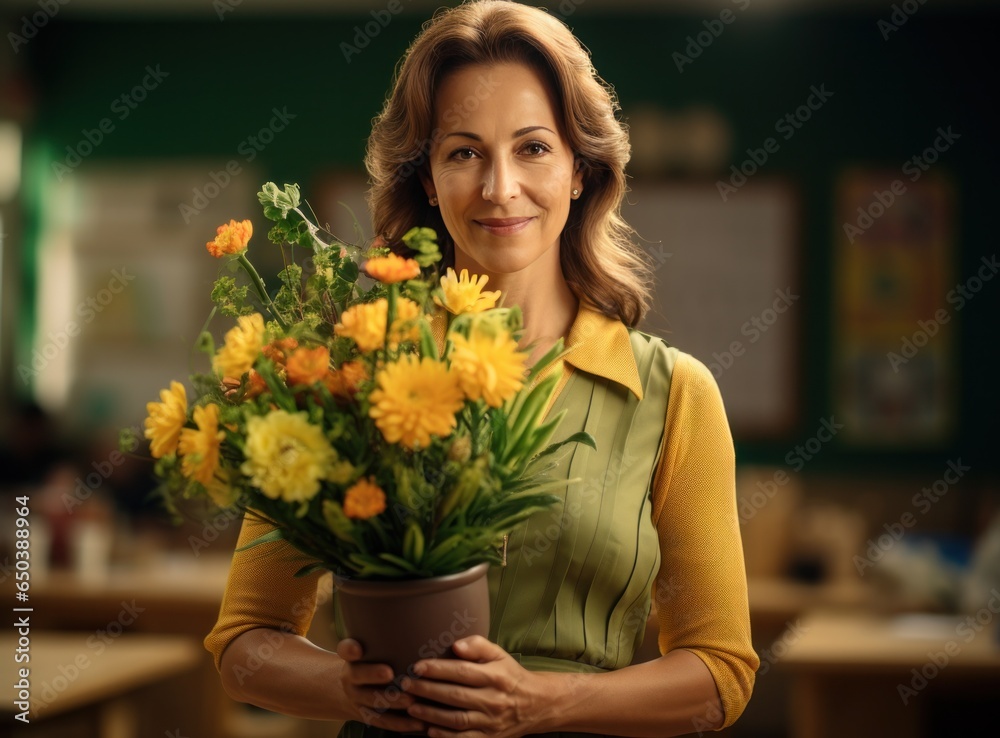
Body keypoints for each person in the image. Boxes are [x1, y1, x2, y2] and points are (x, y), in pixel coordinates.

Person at [205, 1, 758, 735]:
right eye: (464, 152)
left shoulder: (675, 394)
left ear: (581, 172)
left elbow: (721, 674)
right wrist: (349, 688)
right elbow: (242, 643)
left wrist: (545, 701)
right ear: (429, 179)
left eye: (532, 148)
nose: (500, 187)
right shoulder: (344, 377)